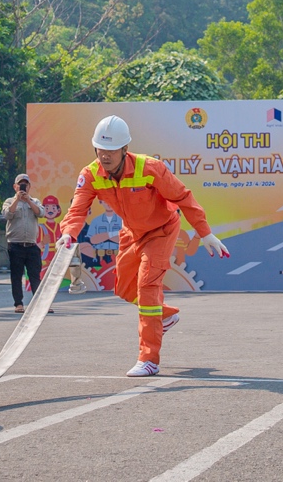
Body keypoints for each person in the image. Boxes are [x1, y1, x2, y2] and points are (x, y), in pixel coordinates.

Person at [57, 116, 228, 376]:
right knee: (125, 289)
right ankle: (165, 315)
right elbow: (77, 209)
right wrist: (68, 234)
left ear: (125, 149)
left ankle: (149, 359)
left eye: (111, 151)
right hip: (132, 232)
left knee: (147, 286)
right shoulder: (90, 175)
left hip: (161, 231)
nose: (105, 157)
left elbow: (183, 197)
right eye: (101, 150)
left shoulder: (149, 168)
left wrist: (205, 233)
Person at [3, 173, 43, 313]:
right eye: (20, 184)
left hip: (32, 245)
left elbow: (41, 213)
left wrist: (28, 201)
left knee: (35, 276)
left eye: (25, 184)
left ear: (30, 186)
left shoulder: (35, 201)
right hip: (15, 245)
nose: (23, 187)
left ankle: (39, 304)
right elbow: (7, 215)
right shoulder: (9, 201)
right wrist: (18, 200)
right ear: (15, 186)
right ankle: (18, 304)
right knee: (16, 276)